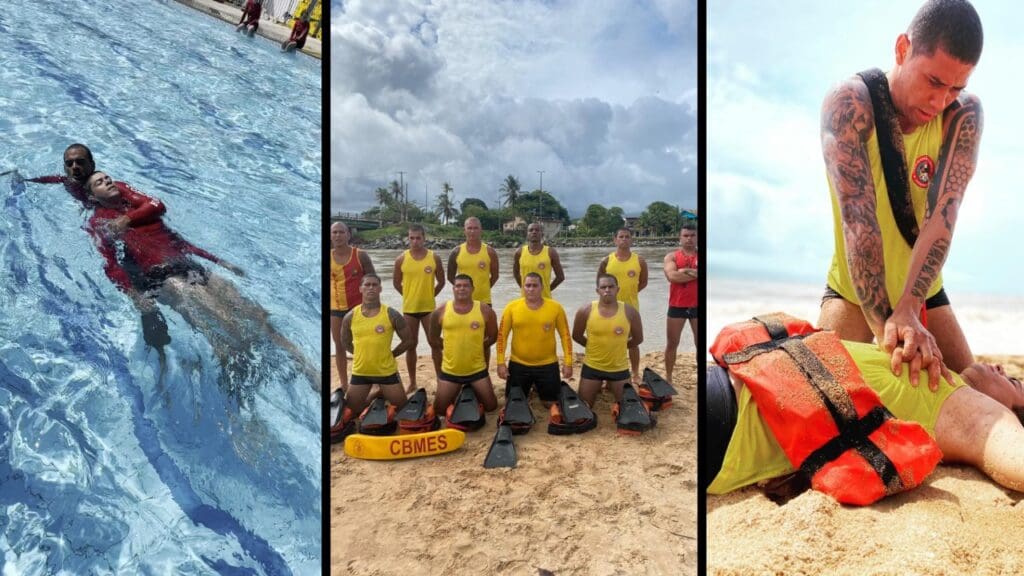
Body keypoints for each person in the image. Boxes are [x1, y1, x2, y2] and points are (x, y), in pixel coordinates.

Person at [818, 0, 983, 385]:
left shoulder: (962, 115)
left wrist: (910, 306)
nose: (940, 100)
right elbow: (859, 223)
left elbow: (945, 212)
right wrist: (887, 330)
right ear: (903, 49)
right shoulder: (849, 105)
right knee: (823, 403)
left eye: (956, 86)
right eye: (934, 82)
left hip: (924, 293)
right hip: (854, 295)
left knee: (978, 391)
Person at [705, 332, 1024, 499]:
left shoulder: (972, 410)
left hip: (730, 416)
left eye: (1012, 382)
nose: (999, 367)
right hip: (729, 382)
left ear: (1008, 410)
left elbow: (1014, 455)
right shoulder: (932, 368)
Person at [83, 171, 319, 389]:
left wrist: (219, 261)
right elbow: (111, 265)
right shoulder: (100, 222)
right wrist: (134, 295)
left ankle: (310, 371)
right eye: (99, 183)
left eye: (108, 178)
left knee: (258, 316)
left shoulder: (136, 206)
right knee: (226, 328)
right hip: (164, 279)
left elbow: (176, 240)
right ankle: (239, 399)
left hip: (188, 266)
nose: (108, 182)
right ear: (93, 197)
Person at [339, 274, 414, 416]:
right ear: (360, 289)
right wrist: (361, 354)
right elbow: (345, 342)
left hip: (387, 372)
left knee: (402, 412)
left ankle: (382, 391)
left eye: (374, 285)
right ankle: (377, 393)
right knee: (352, 413)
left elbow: (409, 341)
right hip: (361, 372)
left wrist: (392, 354)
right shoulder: (350, 316)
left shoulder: (391, 314)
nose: (371, 288)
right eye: (367, 285)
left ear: (380, 288)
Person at [495, 272, 573, 407]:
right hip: (519, 364)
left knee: (551, 405)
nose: (531, 289)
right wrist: (501, 363)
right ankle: (530, 390)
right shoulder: (511, 308)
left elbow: (565, 336)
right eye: (528, 285)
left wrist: (568, 362)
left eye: (535, 285)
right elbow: (502, 336)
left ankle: (536, 389)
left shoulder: (555, 307)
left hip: (547, 364)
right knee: (513, 404)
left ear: (542, 287)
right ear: (523, 287)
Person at [427, 274, 499, 416]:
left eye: (466, 286)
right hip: (450, 371)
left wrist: (478, 346)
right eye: (458, 286)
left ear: (473, 289)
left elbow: (493, 336)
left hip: (477, 370)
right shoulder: (440, 311)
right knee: (440, 411)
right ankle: (461, 389)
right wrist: (450, 346)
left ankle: (469, 388)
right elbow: (433, 339)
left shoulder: (485, 310)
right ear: (453, 289)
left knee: (491, 407)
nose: (462, 289)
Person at [571, 274, 643, 408]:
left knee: (628, 408)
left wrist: (620, 345)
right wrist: (593, 346)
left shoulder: (630, 312)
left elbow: (638, 339)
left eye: (611, 287)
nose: (607, 290)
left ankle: (611, 385)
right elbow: (576, 335)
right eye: (603, 287)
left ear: (618, 289)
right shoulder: (585, 310)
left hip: (619, 368)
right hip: (592, 367)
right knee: (584, 407)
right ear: (597, 290)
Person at [392, 224, 444, 393]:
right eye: (411, 238)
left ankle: (440, 379)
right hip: (409, 310)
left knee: (435, 343)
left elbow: (442, 281)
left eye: (418, 238)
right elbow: (395, 283)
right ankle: (412, 382)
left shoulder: (433, 257)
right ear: (408, 238)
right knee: (411, 345)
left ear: (424, 238)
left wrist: (430, 295)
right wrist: (408, 296)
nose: (415, 241)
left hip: (429, 309)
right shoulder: (401, 259)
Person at [597, 227, 648, 383]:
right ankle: (607, 374)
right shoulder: (606, 261)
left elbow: (643, 283)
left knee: (633, 342)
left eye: (627, 237)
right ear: (615, 239)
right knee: (609, 341)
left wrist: (630, 293)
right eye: (621, 236)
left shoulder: (639, 261)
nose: (624, 239)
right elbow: (599, 285)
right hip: (609, 308)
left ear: (631, 240)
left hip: (631, 307)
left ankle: (635, 373)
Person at [330, 221, 375, 393]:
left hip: (359, 309)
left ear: (348, 235)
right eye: (334, 232)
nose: (338, 236)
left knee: (366, 344)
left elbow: (373, 280)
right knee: (339, 345)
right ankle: (344, 383)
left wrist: (373, 306)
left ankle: (373, 380)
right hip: (336, 309)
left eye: (341, 232)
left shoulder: (360, 255)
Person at [664, 223, 698, 382]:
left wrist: (684, 271)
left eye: (692, 235)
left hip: (697, 305)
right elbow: (672, 277)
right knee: (672, 344)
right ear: (680, 237)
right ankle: (669, 376)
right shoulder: (671, 257)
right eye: (686, 235)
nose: (689, 239)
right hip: (677, 304)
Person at [447, 216, 499, 306]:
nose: (472, 231)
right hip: (462, 301)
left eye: (475, 228)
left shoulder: (490, 252)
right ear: (464, 230)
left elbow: (495, 276)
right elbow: (450, 276)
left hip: (484, 301)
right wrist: (461, 290)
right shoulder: (456, 252)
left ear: (481, 230)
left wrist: (484, 288)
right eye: (469, 228)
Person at [512, 222, 565, 298]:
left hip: (545, 299)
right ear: (527, 234)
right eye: (531, 230)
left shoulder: (551, 252)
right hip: (525, 299)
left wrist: (547, 289)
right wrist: (524, 288)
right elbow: (516, 274)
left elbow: (560, 277)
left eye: (537, 230)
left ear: (542, 234)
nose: (534, 232)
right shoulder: (519, 252)